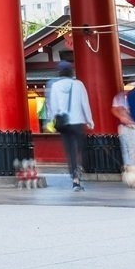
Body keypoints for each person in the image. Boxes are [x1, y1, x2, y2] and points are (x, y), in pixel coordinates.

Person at [46, 61, 95, 191]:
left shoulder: (55, 86)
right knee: (82, 147)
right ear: (71, 72)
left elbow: (53, 106)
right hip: (77, 120)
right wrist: (89, 120)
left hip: (64, 123)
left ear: (60, 72)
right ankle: (81, 165)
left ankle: (75, 180)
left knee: (70, 152)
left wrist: (52, 121)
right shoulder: (79, 85)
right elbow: (85, 103)